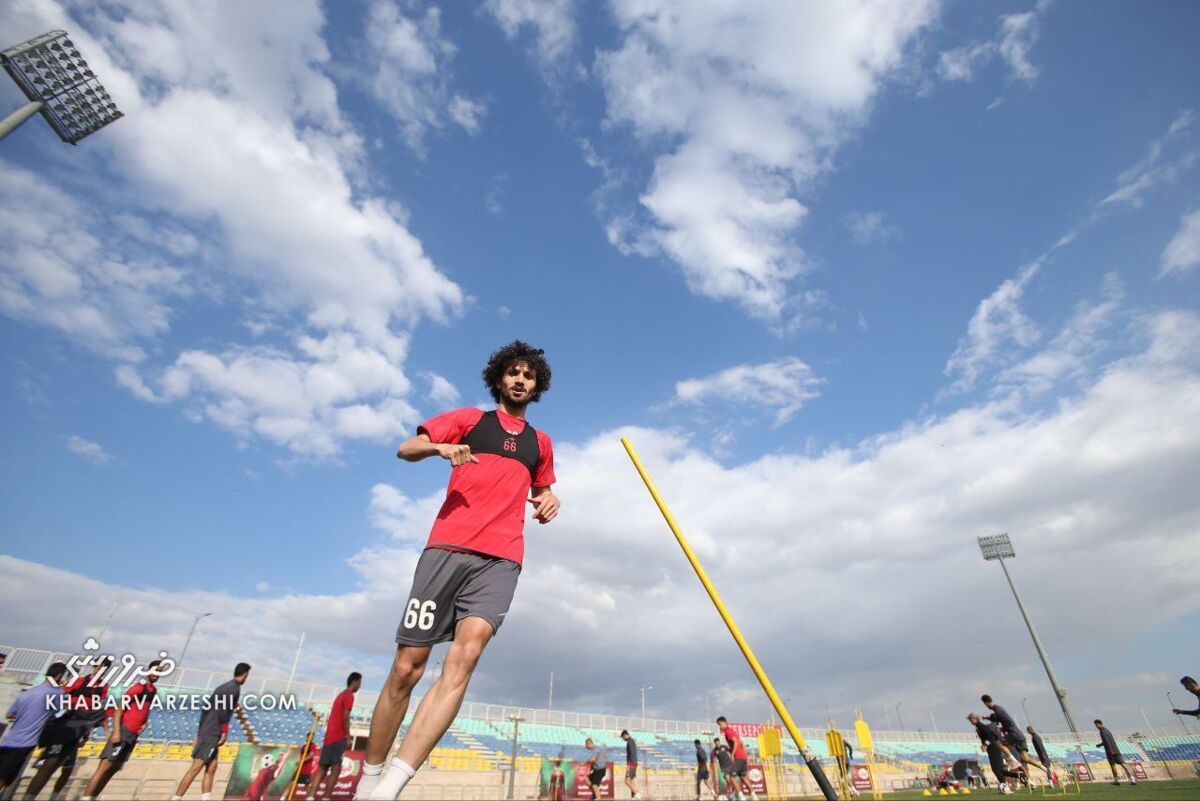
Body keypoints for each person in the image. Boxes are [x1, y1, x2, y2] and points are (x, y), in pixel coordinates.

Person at [358, 341, 559, 800]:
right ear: (499, 379)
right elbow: (405, 448)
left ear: (537, 385)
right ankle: (369, 776)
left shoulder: (540, 443)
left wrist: (551, 499)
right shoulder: (470, 419)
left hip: (502, 559)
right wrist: (441, 449)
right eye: (513, 373)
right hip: (446, 549)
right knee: (407, 667)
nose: (520, 381)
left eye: (528, 375)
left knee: (464, 659)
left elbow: (545, 489)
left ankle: (390, 786)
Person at [25, 656, 114, 800]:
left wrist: (104, 729)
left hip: (80, 730)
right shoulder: (79, 681)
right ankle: (28, 797)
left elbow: (101, 706)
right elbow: (61, 693)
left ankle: (54, 797)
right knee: (49, 765)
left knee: (67, 769)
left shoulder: (103, 686)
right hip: (66, 725)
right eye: (98, 666)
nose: (100, 669)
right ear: (94, 666)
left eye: (104, 668)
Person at [81, 658, 164, 800]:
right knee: (104, 768)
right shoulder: (138, 687)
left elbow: (145, 708)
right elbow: (119, 709)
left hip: (133, 735)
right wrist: (117, 732)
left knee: (114, 769)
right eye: (155, 670)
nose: (157, 674)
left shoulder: (153, 690)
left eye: (160, 671)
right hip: (124, 731)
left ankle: (93, 797)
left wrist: (145, 721)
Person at [171, 662, 251, 801]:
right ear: (244, 675)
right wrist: (224, 731)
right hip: (212, 732)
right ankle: (176, 798)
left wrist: (199, 733)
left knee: (212, 768)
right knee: (196, 768)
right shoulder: (234, 689)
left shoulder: (222, 687)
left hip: (208, 730)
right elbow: (223, 710)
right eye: (247, 675)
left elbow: (206, 709)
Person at [0, 662, 66, 794]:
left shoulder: (29, 691)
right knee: (4, 778)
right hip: (25, 743)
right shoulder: (56, 693)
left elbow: (10, 714)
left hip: (8, 740)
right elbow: (59, 712)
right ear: (59, 676)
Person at [313, 672, 361, 799]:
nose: (359, 686)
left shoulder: (340, 695)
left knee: (322, 768)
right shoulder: (349, 696)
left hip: (329, 736)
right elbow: (346, 716)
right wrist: (348, 736)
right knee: (335, 769)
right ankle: (326, 797)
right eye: (359, 683)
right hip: (338, 736)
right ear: (354, 682)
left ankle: (310, 797)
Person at [982, 695, 1048, 780]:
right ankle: (1045, 769)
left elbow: (1007, 720)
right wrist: (991, 719)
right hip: (1019, 735)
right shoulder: (998, 710)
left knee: (998, 742)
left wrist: (994, 722)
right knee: (1025, 758)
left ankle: (1012, 759)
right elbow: (1001, 719)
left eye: (985, 704)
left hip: (1013, 733)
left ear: (987, 703)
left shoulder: (998, 710)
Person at [967, 713, 1021, 794]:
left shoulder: (982, 726)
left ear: (975, 719)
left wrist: (985, 744)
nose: (970, 721)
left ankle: (1012, 781)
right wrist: (984, 744)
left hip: (994, 748)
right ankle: (1012, 781)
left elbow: (991, 737)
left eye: (971, 719)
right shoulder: (979, 727)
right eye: (970, 720)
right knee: (998, 770)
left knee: (996, 769)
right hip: (992, 749)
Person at [716, 717, 757, 801]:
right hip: (743, 758)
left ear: (724, 723)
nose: (719, 727)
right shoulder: (733, 731)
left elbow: (735, 741)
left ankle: (741, 797)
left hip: (738, 757)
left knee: (732, 776)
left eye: (719, 724)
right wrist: (746, 756)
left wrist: (732, 754)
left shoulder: (727, 731)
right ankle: (754, 796)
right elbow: (741, 743)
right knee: (744, 777)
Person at [1094, 719, 1136, 786]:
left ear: (1099, 724)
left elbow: (1107, 741)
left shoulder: (1102, 731)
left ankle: (1116, 780)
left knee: (1113, 765)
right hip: (1116, 750)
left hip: (1110, 751)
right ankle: (1132, 779)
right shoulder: (1107, 730)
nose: (1096, 727)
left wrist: (1110, 750)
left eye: (1096, 725)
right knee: (1123, 764)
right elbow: (1107, 740)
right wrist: (1100, 745)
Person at [619, 730, 641, 800]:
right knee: (631, 781)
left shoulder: (630, 742)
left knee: (627, 781)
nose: (623, 739)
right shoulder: (631, 741)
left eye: (622, 737)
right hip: (633, 763)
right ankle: (634, 797)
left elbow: (631, 754)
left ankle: (637, 794)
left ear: (625, 735)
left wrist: (629, 765)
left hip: (631, 763)